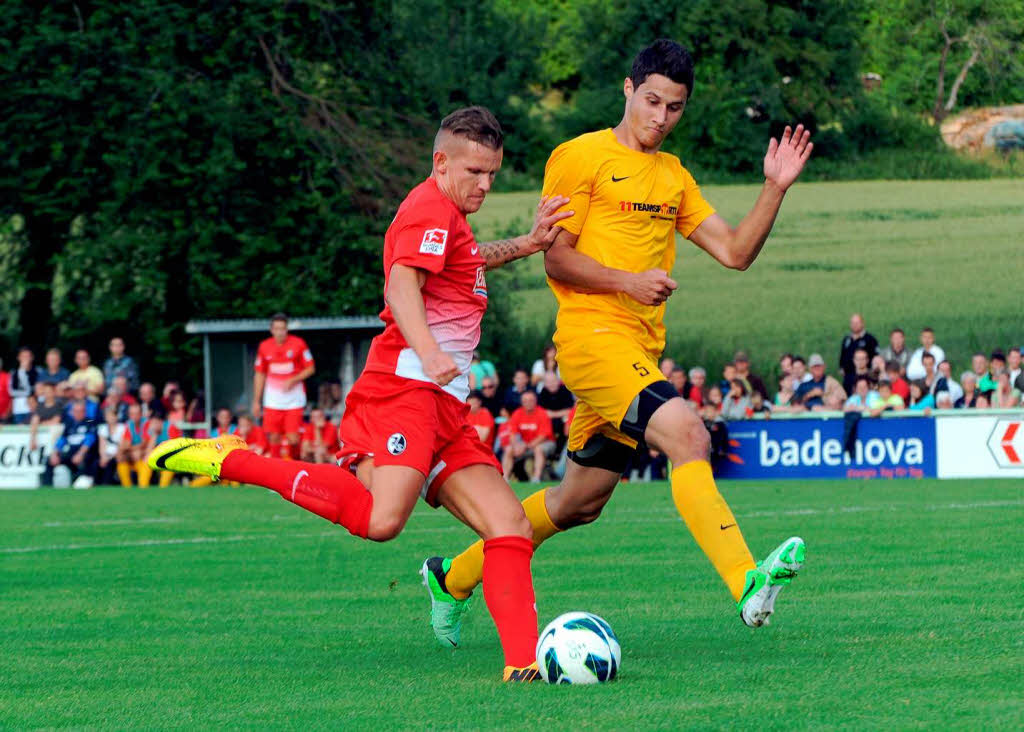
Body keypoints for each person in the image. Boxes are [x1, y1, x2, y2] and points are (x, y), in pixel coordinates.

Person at [149, 105, 571, 682]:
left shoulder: (450, 218)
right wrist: (426, 351)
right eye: (475, 171)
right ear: (440, 161)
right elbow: (402, 285)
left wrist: (527, 243)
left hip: (444, 403)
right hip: (405, 391)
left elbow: (466, 264)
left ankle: (522, 666)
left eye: (493, 173)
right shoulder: (427, 206)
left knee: (510, 526)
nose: (486, 184)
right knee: (381, 520)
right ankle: (237, 461)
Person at [425, 41, 809, 648]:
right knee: (687, 432)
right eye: (652, 100)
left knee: (580, 501)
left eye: (675, 107)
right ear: (628, 90)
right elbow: (556, 257)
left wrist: (775, 188)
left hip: (637, 353)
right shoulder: (579, 157)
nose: (660, 117)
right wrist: (629, 281)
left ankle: (451, 578)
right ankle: (746, 580)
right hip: (590, 340)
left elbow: (735, 253)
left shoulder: (674, 176)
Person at [251, 313, 316, 459]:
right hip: (273, 400)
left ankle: (295, 465)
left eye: (283, 328)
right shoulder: (264, 346)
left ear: (287, 329)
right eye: (277, 328)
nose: (280, 332)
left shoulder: (298, 344)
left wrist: (293, 379)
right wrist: (256, 401)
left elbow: (311, 369)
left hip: (294, 400)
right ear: (271, 330)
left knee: (293, 438)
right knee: (274, 436)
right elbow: (260, 374)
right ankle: (275, 471)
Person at [502, 389, 556, 482]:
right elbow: (512, 433)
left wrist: (525, 446)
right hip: (525, 444)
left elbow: (543, 436)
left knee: (538, 449)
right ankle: (505, 477)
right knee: (508, 449)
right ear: (522, 402)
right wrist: (516, 446)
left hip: (546, 443)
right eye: (525, 401)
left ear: (535, 401)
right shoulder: (517, 413)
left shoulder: (542, 413)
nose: (528, 403)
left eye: (531, 400)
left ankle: (536, 478)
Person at [41, 400, 98, 487]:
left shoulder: (90, 422)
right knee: (50, 459)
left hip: (85, 453)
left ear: (85, 412)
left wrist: (80, 454)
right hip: (70, 453)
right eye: (75, 411)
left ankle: (81, 484)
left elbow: (90, 440)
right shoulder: (69, 423)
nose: (77, 413)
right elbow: (62, 439)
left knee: (84, 461)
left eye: (80, 411)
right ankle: (47, 486)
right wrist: (55, 453)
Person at [536, 370, 575, 449]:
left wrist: (552, 414)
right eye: (548, 382)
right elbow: (542, 413)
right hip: (548, 422)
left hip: (564, 421)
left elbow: (570, 410)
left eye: (553, 381)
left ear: (558, 381)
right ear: (545, 383)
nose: (551, 384)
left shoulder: (565, 391)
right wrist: (560, 413)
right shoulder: (543, 393)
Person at [839, 313, 878, 383]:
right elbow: (843, 355)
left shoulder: (870, 339)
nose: (854, 325)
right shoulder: (847, 339)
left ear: (862, 324)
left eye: (857, 323)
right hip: (848, 377)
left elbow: (875, 358)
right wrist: (841, 368)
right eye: (852, 323)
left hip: (865, 377)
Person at [97, 406, 131, 486]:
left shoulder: (122, 428)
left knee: (111, 463)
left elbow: (122, 445)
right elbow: (102, 446)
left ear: (116, 417)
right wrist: (103, 457)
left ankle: (107, 484)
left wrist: (111, 457)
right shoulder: (103, 428)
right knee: (96, 463)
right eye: (108, 416)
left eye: (112, 416)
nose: (111, 418)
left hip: (117, 454)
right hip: (107, 455)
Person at [28, 382, 67, 451]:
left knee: (55, 429)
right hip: (42, 435)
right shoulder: (40, 406)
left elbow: (55, 421)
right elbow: (35, 420)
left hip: (55, 434)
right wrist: (33, 439)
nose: (47, 394)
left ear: (54, 392)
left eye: (49, 392)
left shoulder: (58, 405)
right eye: (45, 392)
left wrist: (41, 424)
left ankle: (55, 452)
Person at [8, 346, 39, 425]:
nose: (25, 359)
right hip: (18, 408)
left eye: (27, 356)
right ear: (18, 358)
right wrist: (22, 371)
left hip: (34, 408)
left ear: (32, 358)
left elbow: (37, 389)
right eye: (23, 356)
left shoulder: (38, 371)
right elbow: (12, 392)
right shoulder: (13, 372)